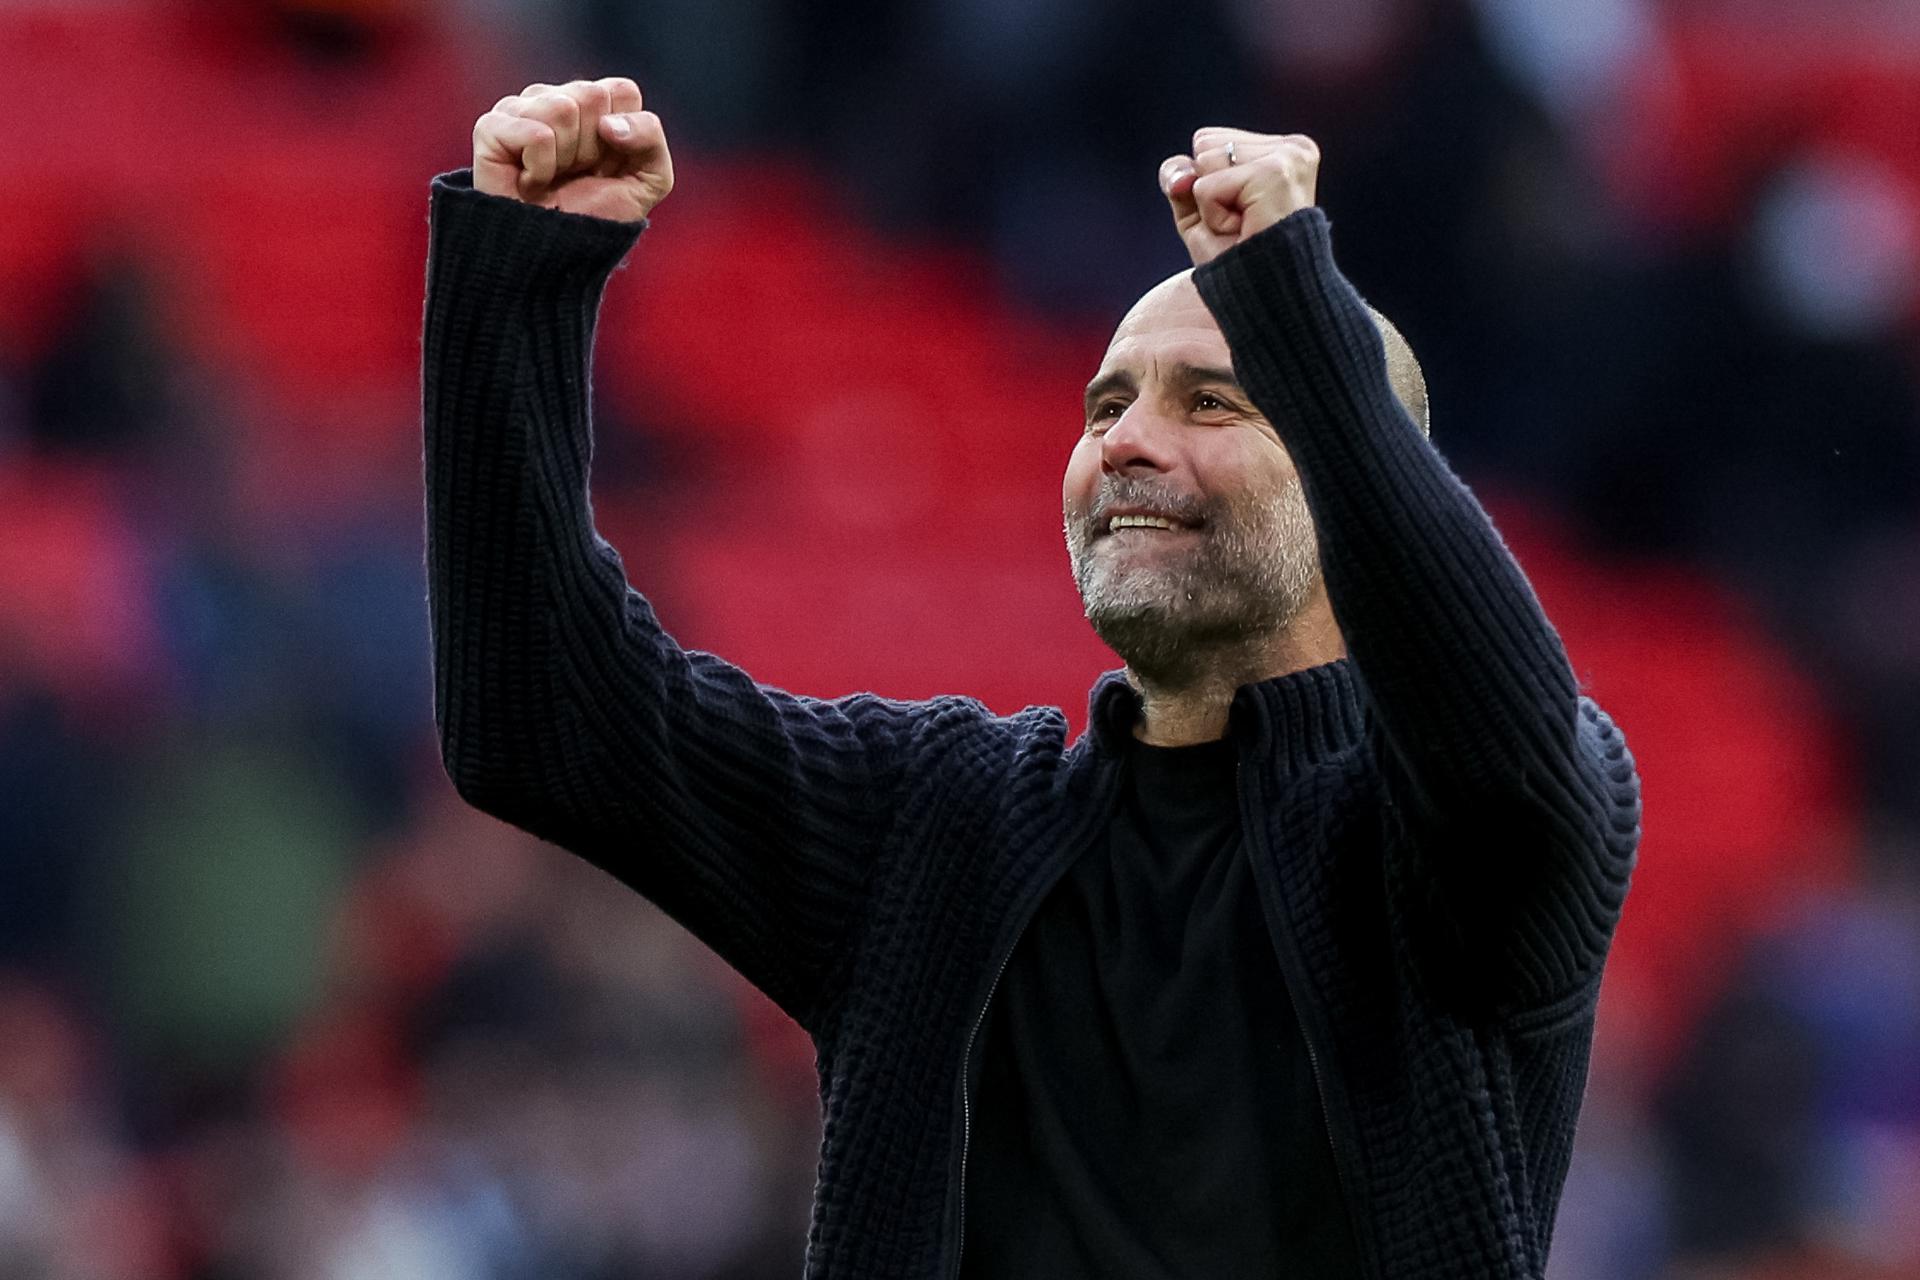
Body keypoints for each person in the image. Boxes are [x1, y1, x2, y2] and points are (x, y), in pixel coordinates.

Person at [422, 75, 1642, 1280]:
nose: (1124, 440)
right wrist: (522, 278)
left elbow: (1504, 746)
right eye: (1105, 404)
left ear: (1352, 472)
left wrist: (1298, 310)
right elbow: (543, 715)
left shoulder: (1450, 851)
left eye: (1213, 398)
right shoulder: (938, 825)